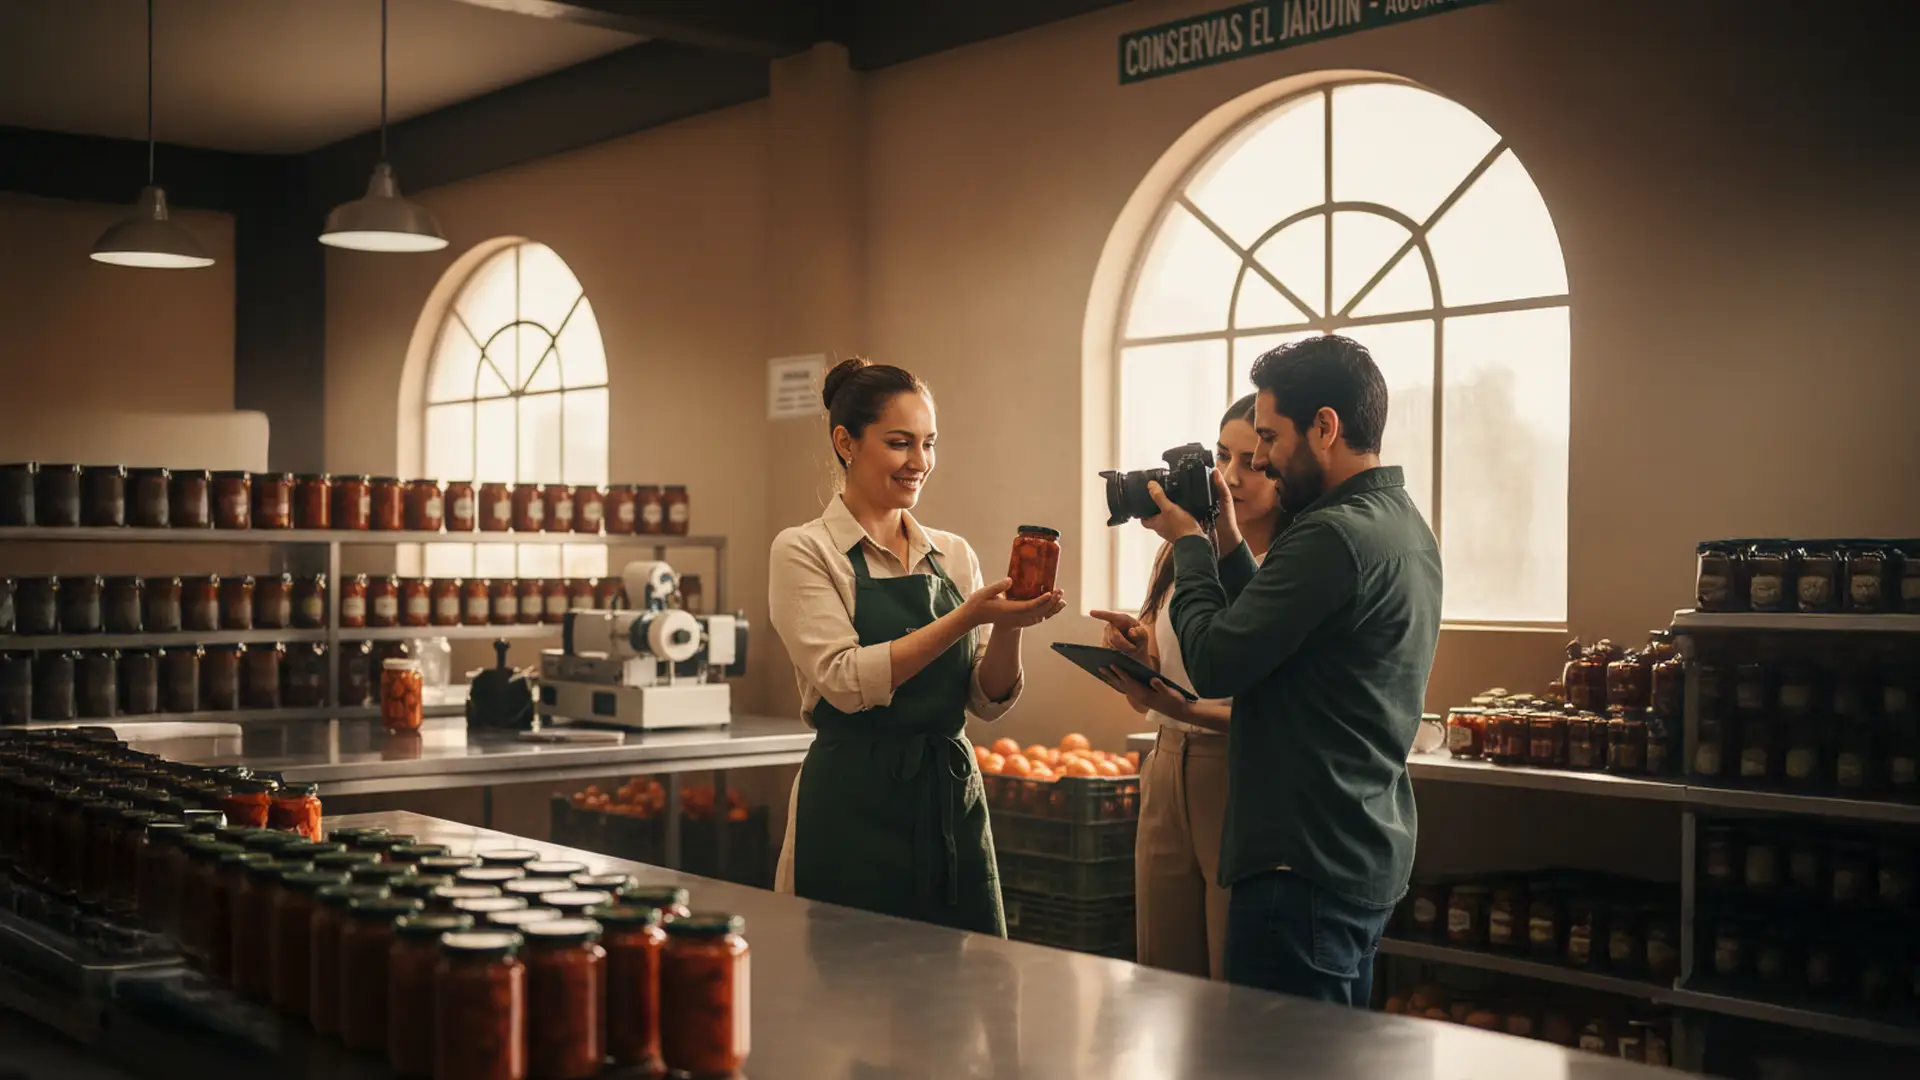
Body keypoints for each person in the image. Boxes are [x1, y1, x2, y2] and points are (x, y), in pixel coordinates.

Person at [1133, 334, 1442, 1006]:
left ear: (1324, 427)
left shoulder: (1329, 536)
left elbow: (1217, 660)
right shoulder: (1399, 524)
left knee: (1272, 1066)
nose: (1261, 459)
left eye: (1269, 437)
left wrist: (1188, 543)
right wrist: (1223, 538)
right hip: (1355, 850)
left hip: (1298, 866)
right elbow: (1268, 623)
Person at [768, 357, 1067, 934]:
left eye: (929, 444)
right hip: (853, 801)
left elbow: (985, 698)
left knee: (958, 998)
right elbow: (847, 682)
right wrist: (967, 615)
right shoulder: (805, 550)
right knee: (848, 999)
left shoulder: (952, 554)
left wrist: (1008, 625)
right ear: (845, 442)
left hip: (948, 799)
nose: (920, 463)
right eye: (901, 443)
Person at [1087, 394, 1286, 981]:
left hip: (1239, 767)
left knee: (1234, 978)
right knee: (1162, 974)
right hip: (1163, 761)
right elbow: (1155, 693)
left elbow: (1281, 709)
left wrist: (1186, 708)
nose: (1230, 476)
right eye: (1222, 456)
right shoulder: (1182, 550)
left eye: (1252, 460)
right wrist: (1136, 659)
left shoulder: (1290, 565)